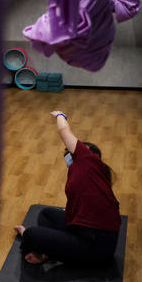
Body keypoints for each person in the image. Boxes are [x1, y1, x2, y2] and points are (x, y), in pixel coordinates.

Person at [14, 111, 121, 266]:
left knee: (30, 233)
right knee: (45, 214)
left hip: (96, 250)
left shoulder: (87, 160)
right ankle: (46, 250)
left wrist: (60, 115)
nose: (68, 156)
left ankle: (40, 247)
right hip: (88, 233)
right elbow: (83, 202)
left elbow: (63, 131)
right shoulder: (89, 172)